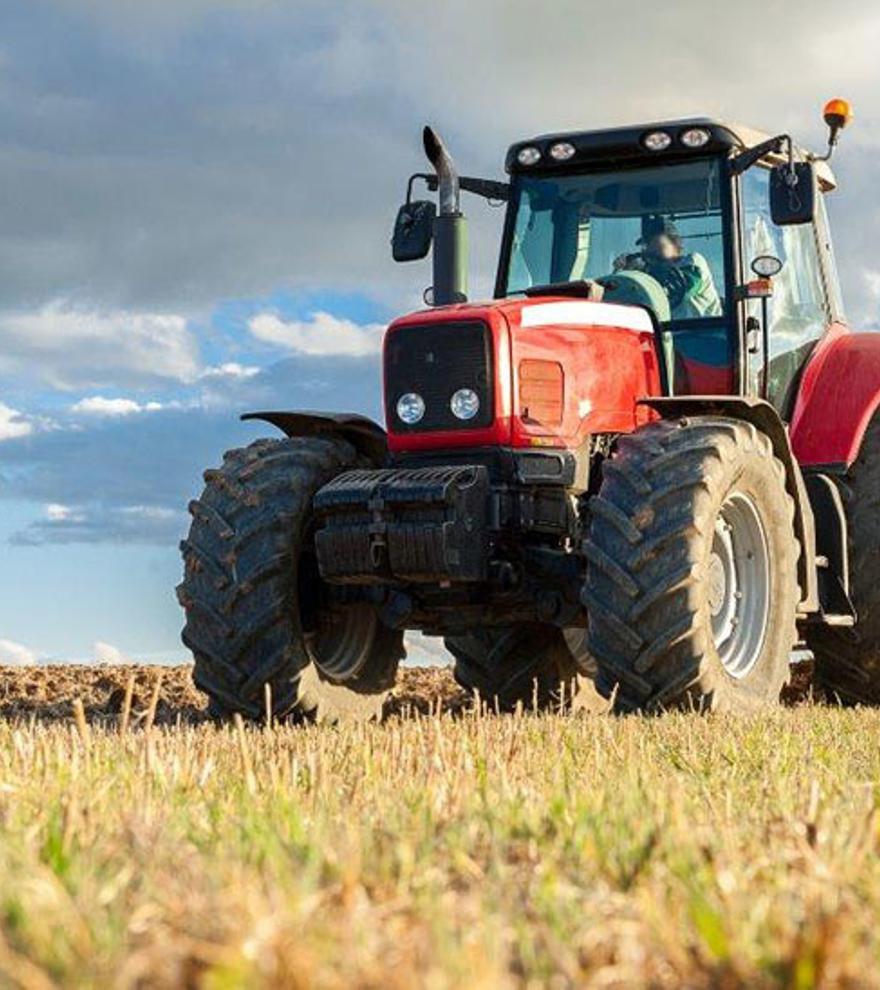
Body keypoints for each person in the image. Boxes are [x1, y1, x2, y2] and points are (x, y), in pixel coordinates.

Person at [613, 217, 722, 319]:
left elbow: (679, 287)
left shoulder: (694, 262)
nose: (649, 249)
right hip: (671, 336)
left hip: (706, 333)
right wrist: (625, 275)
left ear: (674, 244)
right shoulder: (651, 275)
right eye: (647, 244)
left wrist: (643, 273)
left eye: (656, 243)